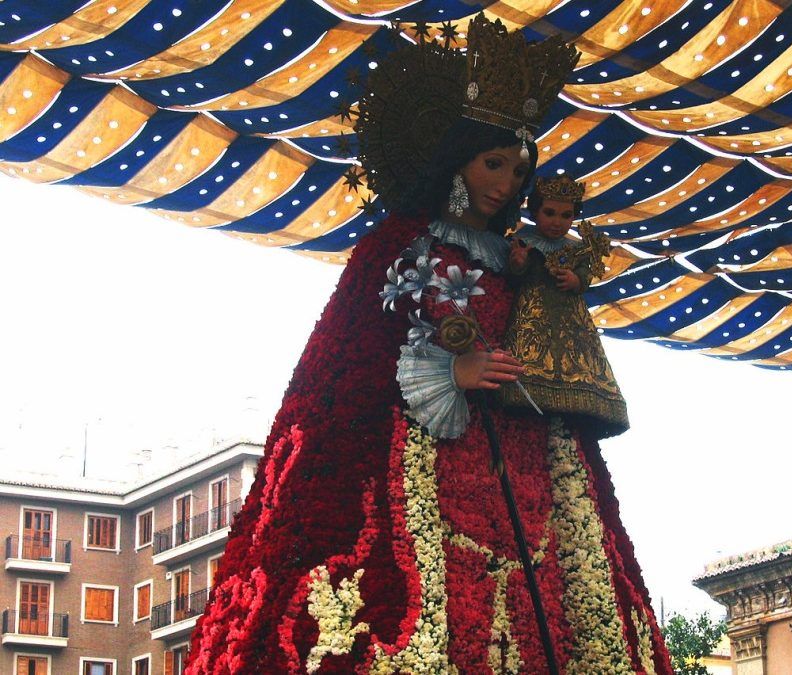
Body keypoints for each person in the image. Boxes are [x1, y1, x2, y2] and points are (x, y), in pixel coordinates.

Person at [187, 15, 671, 674]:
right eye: (493, 162)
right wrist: (451, 372)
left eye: (518, 169)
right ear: (455, 159)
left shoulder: (518, 261)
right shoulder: (399, 245)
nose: (506, 183)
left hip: (530, 474)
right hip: (428, 470)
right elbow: (352, 364)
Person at [501, 174, 629, 438]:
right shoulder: (524, 240)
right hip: (532, 313)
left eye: (565, 215)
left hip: (571, 319)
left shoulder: (576, 249)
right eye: (549, 213)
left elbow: (585, 276)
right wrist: (518, 263)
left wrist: (576, 280)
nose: (557, 222)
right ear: (535, 211)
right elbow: (514, 277)